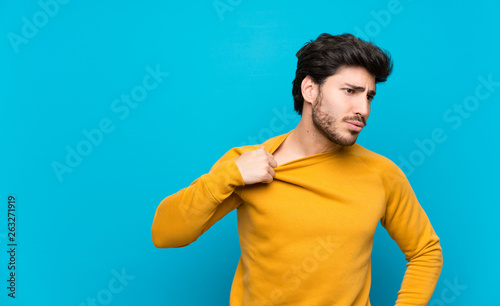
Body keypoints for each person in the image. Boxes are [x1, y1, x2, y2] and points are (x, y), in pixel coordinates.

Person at [151, 33, 443, 306]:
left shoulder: (381, 173)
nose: (363, 109)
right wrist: (229, 175)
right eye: (350, 91)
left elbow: (425, 251)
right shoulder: (247, 164)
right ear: (310, 89)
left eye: (368, 96)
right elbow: (166, 233)